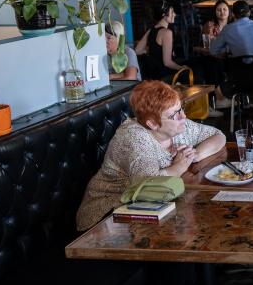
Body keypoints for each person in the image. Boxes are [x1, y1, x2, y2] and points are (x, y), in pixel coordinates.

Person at [76, 80, 225, 230]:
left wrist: (195, 155)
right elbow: (148, 187)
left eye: (181, 109)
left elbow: (218, 136)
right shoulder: (134, 138)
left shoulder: (177, 127)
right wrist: (178, 167)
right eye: (174, 114)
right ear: (152, 124)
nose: (183, 117)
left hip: (147, 210)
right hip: (106, 218)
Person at [209, 0, 253, 83]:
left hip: (240, 80)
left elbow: (213, 50)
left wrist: (228, 50)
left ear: (232, 14)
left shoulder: (227, 29)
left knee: (221, 87)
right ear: (249, 13)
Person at [134, 3, 182, 80]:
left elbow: (137, 50)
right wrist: (182, 68)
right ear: (164, 15)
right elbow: (167, 62)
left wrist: (152, 49)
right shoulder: (167, 32)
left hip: (153, 77)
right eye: (172, 12)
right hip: (165, 77)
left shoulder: (151, 30)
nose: (175, 14)